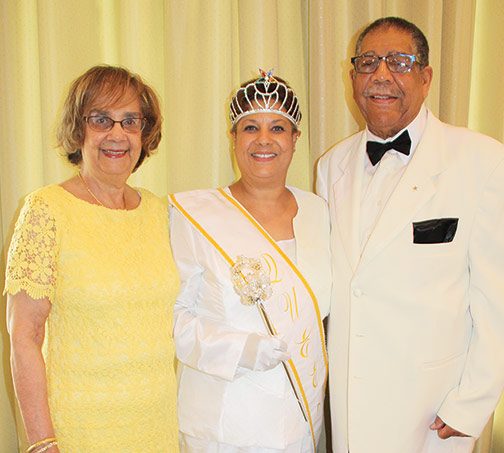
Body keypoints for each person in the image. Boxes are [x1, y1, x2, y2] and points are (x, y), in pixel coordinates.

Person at [316, 16, 504, 453]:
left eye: (399, 62)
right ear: (353, 77)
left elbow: (498, 297)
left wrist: (470, 405)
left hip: (430, 412)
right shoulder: (330, 165)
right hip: (350, 404)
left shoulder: (482, 160)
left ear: (426, 77)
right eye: (368, 62)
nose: (381, 75)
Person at [4, 65, 179, 452]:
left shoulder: (159, 212)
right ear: (78, 128)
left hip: (156, 428)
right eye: (101, 119)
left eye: (130, 121)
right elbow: (24, 337)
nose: (117, 134)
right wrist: (41, 442)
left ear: (144, 133)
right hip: (80, 430)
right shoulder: (45, 210)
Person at [169, 70, 331, 452]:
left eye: (278, 128)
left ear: (295, 139)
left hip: (299, 420)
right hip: (224, 422)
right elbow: (171, 319)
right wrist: (240, 349)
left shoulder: (318, 211)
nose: (263, 140)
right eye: (250, 128)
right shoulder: (194, 214)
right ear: (234, 137)